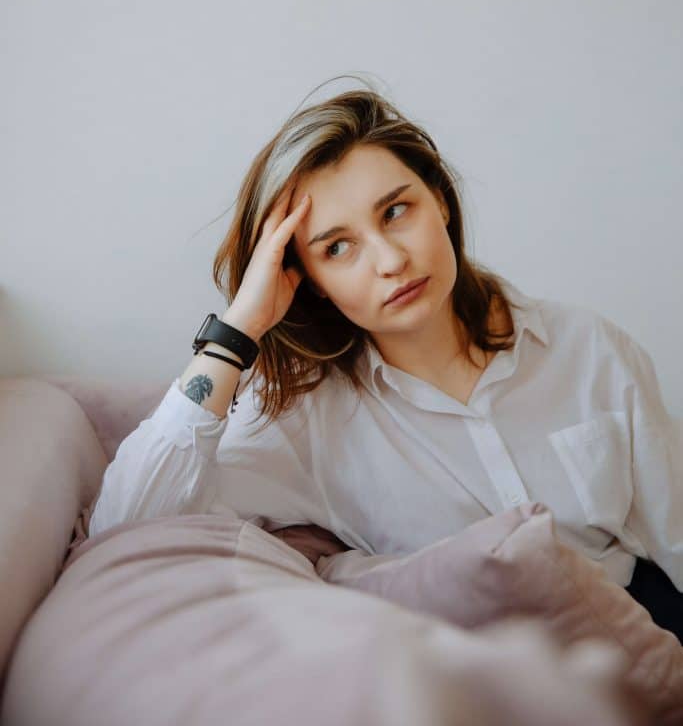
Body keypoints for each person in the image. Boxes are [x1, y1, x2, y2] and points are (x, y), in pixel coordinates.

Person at [87, 77, 683, 642]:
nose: (391, 260)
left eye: (396, 210)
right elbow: (125, 528)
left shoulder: (591, 349)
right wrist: (238, 330)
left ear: (440, 201)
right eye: (338, 247)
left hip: (641, 640)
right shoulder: (305, 418)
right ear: (309, 279)